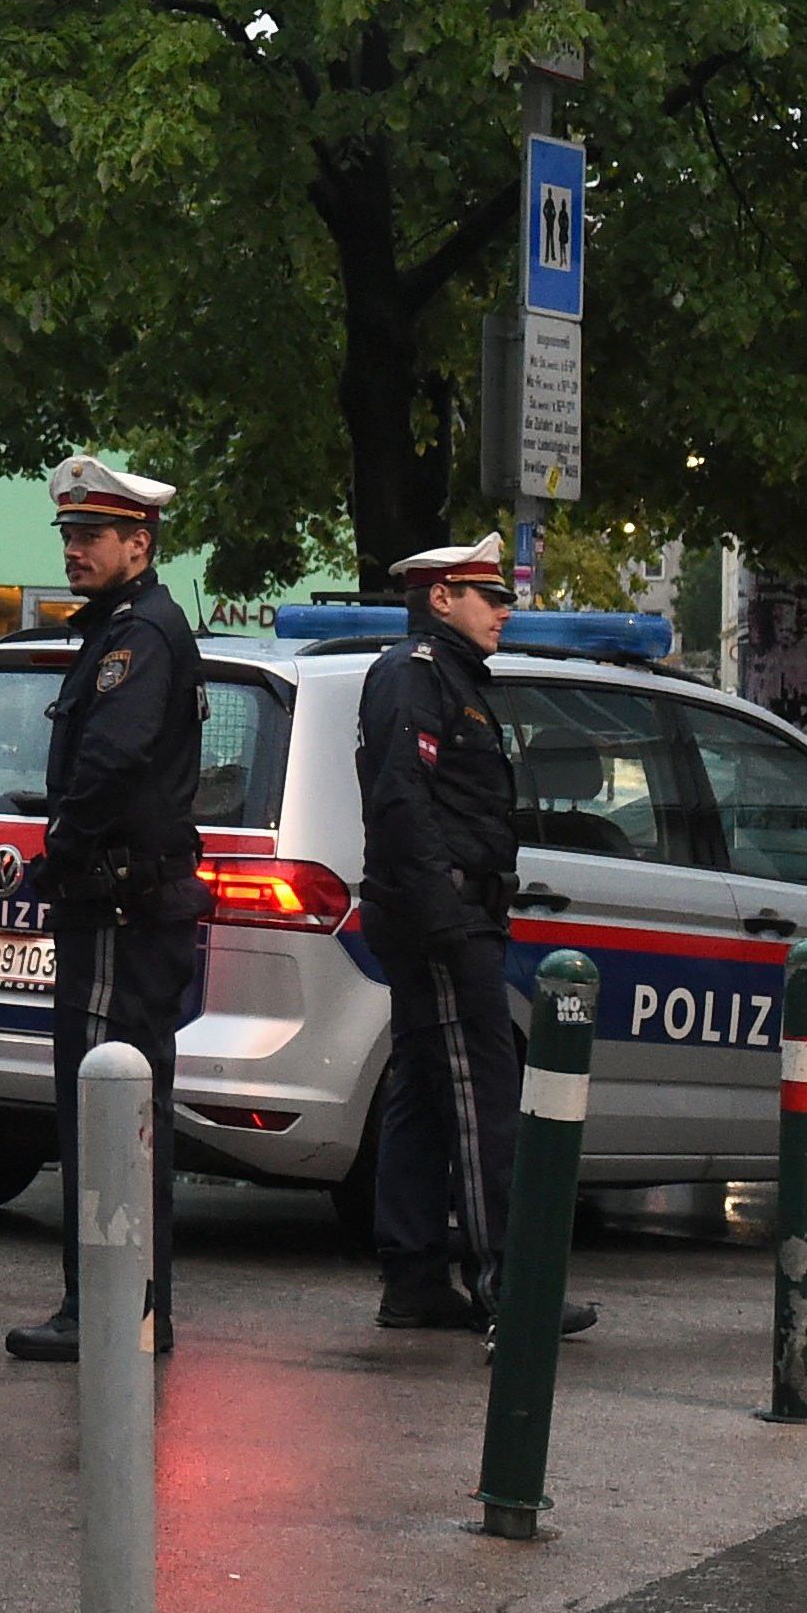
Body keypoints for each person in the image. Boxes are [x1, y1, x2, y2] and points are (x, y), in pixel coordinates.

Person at [356, 532, 597, 1337]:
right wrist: (446, 918)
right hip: (444, 919)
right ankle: (511, 1282)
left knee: (425, 1092)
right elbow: (402, 804)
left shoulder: (448, 678)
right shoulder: (412, 677)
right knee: (482, 1092)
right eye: (488, 595)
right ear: (440, 598)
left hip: (449, 912)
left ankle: (416, 1275)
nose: (504, 609)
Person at [6, 455, 213, 1363]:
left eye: (93, 536)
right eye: (69, 535)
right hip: (130, 906)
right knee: (124, 1107)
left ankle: (108, 1306)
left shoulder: (140, 637)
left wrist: (61, 844)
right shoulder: (131, 629)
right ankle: (129, 1305)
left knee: (105, 1107)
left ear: (141, 541)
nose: (77, 549)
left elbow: (115, 761)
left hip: (119, 911)